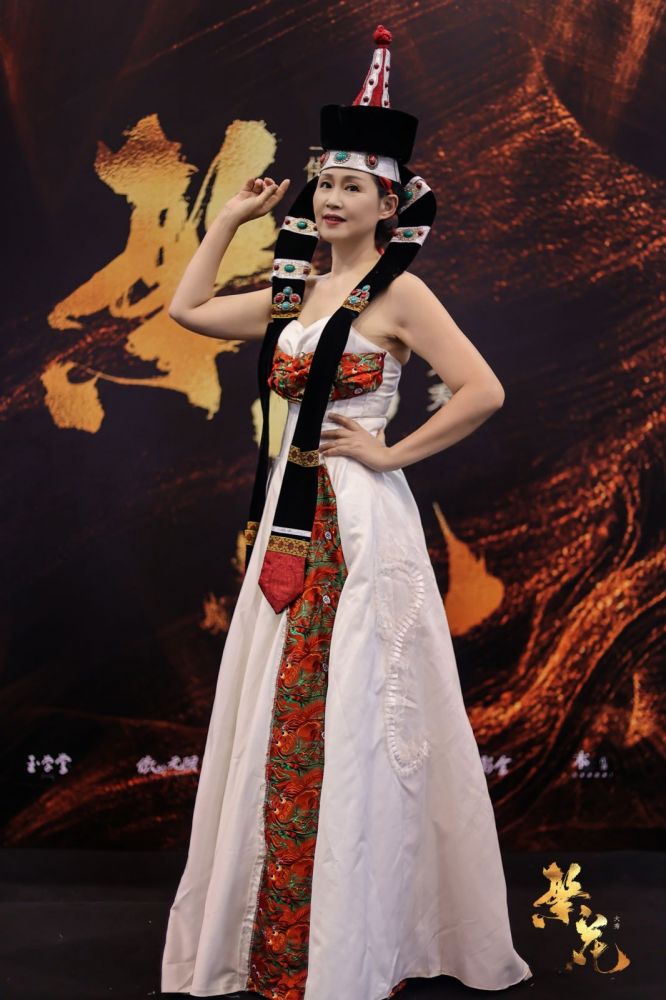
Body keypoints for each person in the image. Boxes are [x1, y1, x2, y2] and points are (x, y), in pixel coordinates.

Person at [160, 24, 533, 1000]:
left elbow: (483, 390)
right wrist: (226, 222)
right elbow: (188, 313)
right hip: (291, 521)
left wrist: (391, 451)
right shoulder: (297, 289)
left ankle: (357, 939)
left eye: (350, 187)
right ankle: (282, 934)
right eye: (323, 183)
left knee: (361, 717)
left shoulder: (400, 296)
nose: (329, 199)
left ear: (388, 204)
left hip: (362, 524)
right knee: (284, 714)